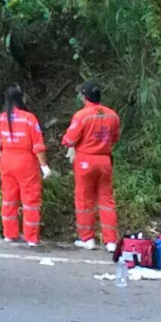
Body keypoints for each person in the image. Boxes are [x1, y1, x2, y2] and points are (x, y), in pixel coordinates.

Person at [62, 80, 121, 253]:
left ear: (84, 96)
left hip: (85, 160)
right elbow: (115, 138)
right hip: (105, 160)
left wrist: (66, 140)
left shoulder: (82, 115)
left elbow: (69, 140)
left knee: (84, 199)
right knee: (107, 200)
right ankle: (110, 241)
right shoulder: (112, 115)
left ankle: (87, 238)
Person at [0, 84, 50, 247]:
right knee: (30, 200)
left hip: (6, 160)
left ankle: (9, 234)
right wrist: (44, 166)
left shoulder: (0, 118)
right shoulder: (29, 118)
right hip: (25, 162)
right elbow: (38, 145)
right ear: (21, 97)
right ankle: (31, 237)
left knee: (8, 198)